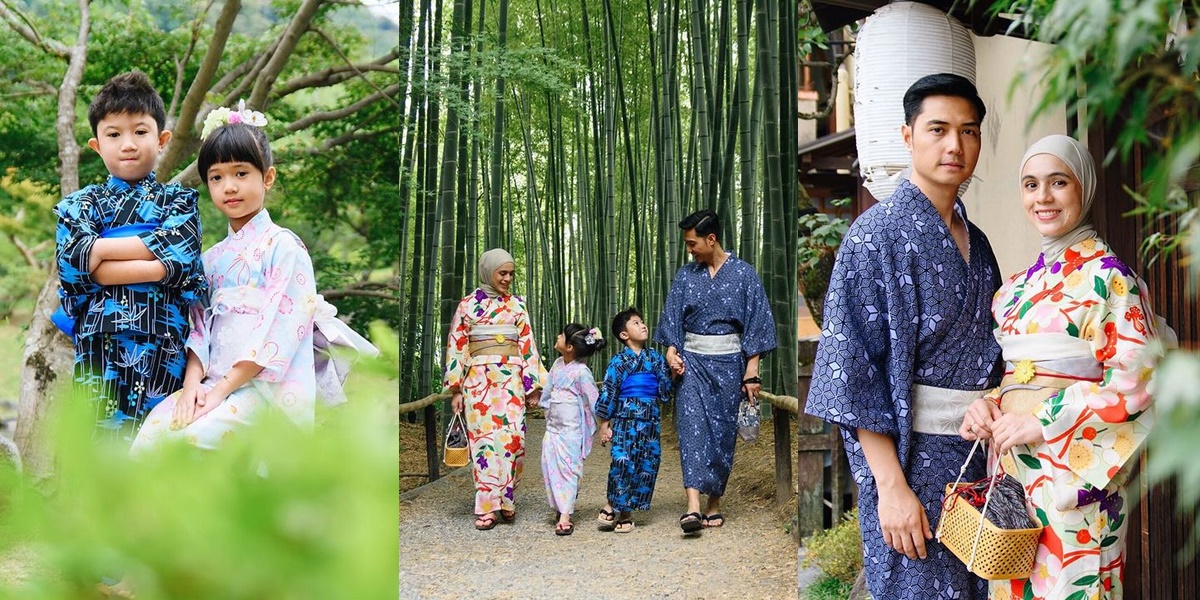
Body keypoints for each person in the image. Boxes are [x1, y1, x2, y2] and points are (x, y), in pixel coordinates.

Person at [805, 73, 1004, 599]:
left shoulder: (979, 245)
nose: (954, 145)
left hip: (980, 465)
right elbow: (853, 376)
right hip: (910, 466)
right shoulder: (873, 237)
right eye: (937, 129)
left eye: (969, 131)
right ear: (907, 135)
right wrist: (891, 489)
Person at [958, 134, 1160, 600]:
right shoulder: (1016, 289)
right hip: (1016, 472)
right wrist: (988, 408)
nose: (1042, 197)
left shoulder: (1110, 278)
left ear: (1083, 189)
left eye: (1058, 182)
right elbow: (1019, 376)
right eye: (1030, 185)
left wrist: (1044, 420)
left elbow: (1139, 380)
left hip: (1075, 477)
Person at [132, 103, 329, 451]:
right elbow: (199, 328)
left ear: (267, 177)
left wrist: (221, 391)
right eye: (217, 177)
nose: (229, 187)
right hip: (212, 383)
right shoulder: (212, 259)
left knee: (190, 443)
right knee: (149, 439)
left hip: (264, 389)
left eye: (241, 173)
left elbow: (278, 329)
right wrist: (193, 386)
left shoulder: (284, 247)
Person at [55, 71, 206, 438]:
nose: (128, 144)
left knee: (158, 452)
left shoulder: (180, 201)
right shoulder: (79, 205)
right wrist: (155, 259)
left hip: (165, 347)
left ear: (162, 139)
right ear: (96, 145)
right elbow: (72, 265)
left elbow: (182, 258)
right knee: (99, 453)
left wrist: (100, 255)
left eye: (140, 131)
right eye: (114, 134)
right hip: (99, 346)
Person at [656, 209, 776, 534]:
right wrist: (671, 353)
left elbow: (757, 325)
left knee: (722, 435)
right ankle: (693, 507)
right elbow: (671, 324)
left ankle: (713, 502)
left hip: (729, 366)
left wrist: (752, 371)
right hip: (692, 364)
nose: (689, 250)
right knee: (692, 427)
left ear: (712, 239)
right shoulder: (685, 276)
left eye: (693, 243)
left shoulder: (744, 275)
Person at [443, 249, 547, 531]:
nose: (508, 279)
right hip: (478, 383)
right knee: (485, 445)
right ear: (488, 271)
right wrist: (456, 390)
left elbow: (527, 345)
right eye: (503, 273)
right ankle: (487, 506)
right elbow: (457, 346)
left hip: (511, 381)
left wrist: (533, 386)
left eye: (511, 274)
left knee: (514, 440)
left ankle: (508, 500)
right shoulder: (467, 305)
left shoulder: (517, 306)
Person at [595, 307, 674, 534]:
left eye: (642, 321)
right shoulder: (618, 361)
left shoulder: (656, 359)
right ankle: (619, 508)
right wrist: (604, 425)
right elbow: (609, 391)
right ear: (623, 334)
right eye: (636, 323)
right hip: (624, 421)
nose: (643, 325)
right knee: (621, 462)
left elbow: (664, 391)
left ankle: (620, 506)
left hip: (650, 421)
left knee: (645, 463)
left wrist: (674, 373)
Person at [536, 323, 604, 536]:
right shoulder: (557, 364)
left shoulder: (582, 372)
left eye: (562, 336)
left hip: (572, 430)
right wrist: (544, 404)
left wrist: (603, 424)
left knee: (569, 469)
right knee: (550, 466)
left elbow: (594, 400)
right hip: (554, 428)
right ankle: (560, 506)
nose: (557, 336)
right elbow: (547, 392)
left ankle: (566, 514)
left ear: (570, 347)